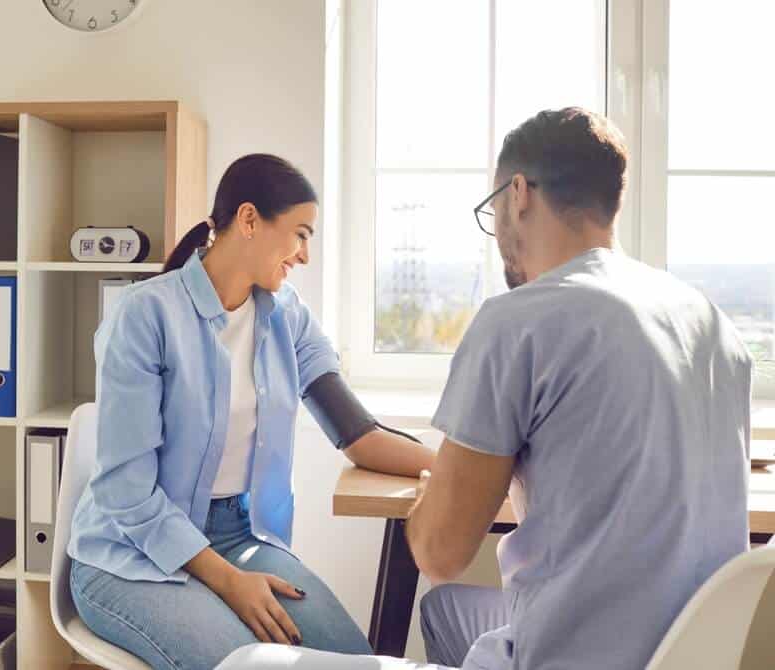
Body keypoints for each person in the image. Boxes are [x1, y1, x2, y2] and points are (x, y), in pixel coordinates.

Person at [216, 108, 752, 669]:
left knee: (251, 663)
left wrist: (430, 501)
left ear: (517, 193)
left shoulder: (519, 320)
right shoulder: (713, 325)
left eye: (492, 206)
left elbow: (438, 553)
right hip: (694, 654)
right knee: (448, 611)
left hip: (569, 658)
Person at [67, 153, 437, 670]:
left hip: (236, 535)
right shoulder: (146, 315)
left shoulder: (288, 317)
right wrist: (228, 581)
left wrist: (468, 470)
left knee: (355, 662)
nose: (305, 255)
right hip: (127, 556)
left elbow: (359, 435)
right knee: (255, 666)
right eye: (301, 234)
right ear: (247, 220)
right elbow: (125, 495)